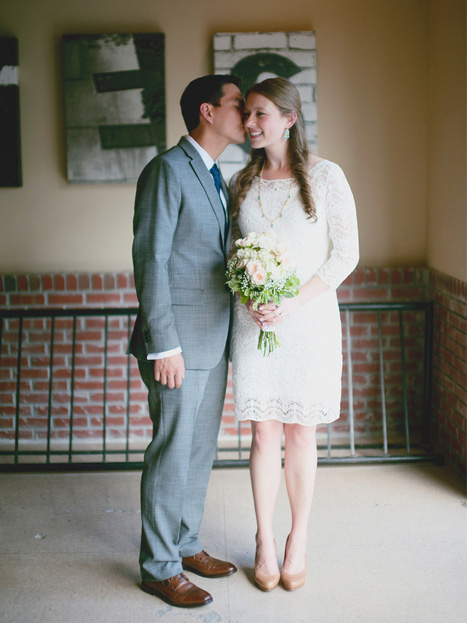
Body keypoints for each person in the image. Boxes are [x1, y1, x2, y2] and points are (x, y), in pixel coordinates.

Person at [229, 77, 359, 592]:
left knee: (301, 432)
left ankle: (296, 540)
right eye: (248, 115)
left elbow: (345, 254)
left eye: (261, 114)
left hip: (309, 322)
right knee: (263, 433)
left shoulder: (327, 177)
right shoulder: (240, 182)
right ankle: (263, 539)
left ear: (289, 118)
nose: (251, 124)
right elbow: (230, 254)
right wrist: (250, 298)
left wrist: (291, 301)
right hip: (254, 322)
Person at [128, 75, 245, 608]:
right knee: (171, 452)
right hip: (176, 346)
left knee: (198, 452)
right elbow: (150, 260)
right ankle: (158, 567)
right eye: (237, 103)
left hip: (213, 341)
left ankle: (186, 543)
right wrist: (163, 345)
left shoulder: (217, 175)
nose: (244, 113)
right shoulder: (166, 171)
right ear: (207, 110)